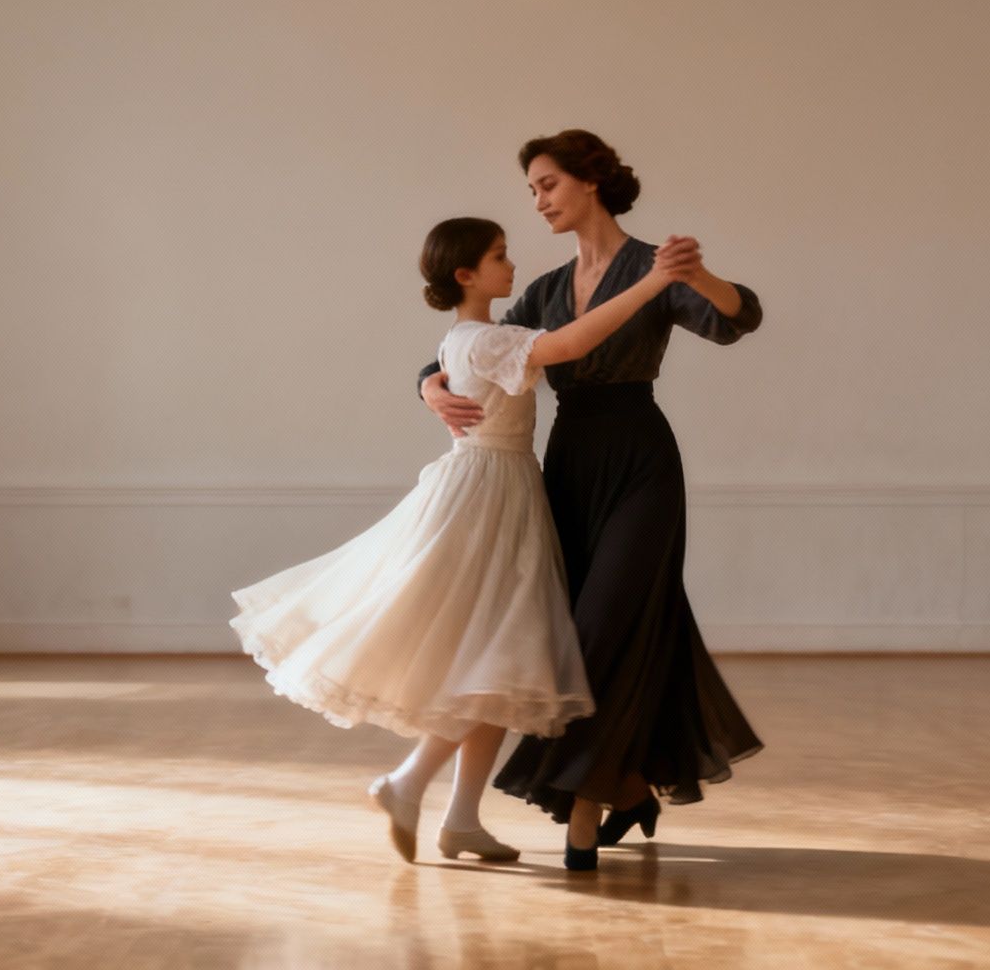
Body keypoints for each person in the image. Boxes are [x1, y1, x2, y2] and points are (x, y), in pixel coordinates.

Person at [231, 215, 689, 865]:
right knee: (498, 662)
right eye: (499, 256)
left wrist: (426, 382)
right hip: (490, 499)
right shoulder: (485, 341)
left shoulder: (465, 340)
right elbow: (567, 345)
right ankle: (407, 782)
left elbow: (529, 350)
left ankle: (461, 819)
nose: (513, 264)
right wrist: (651, 285)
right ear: (466, 275)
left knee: (503, 665)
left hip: (497, 487)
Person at [419, 131, 765, 871]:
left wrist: (698, 276)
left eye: (547, 185)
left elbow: (740, 318)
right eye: (535, 190)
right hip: (568, 466)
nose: (539, 201)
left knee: (606, 626)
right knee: (583, 631)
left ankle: (582, 810)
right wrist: (427, 385)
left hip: (641, 460)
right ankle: (630, 784)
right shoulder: (544, 290)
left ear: (589, 183)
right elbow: (467, 345)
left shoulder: (654, 266)